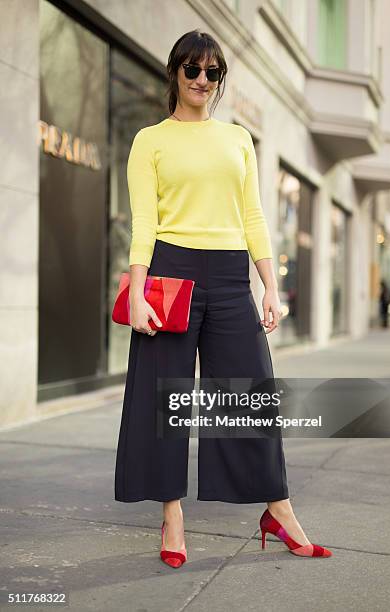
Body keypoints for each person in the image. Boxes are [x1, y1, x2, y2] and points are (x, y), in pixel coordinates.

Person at [114, 29, 332, 567]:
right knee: (165, 399)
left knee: (248, 394)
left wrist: (271, 286)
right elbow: (145, 223)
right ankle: (172, 514)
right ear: (176, 73)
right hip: (172, 271)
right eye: (193, 70)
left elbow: (253, 215)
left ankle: (277, 509)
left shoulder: (237, 139)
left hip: (233, 275)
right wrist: (138, 291)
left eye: (213, 72)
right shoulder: (151, 140)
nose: (202, 81)